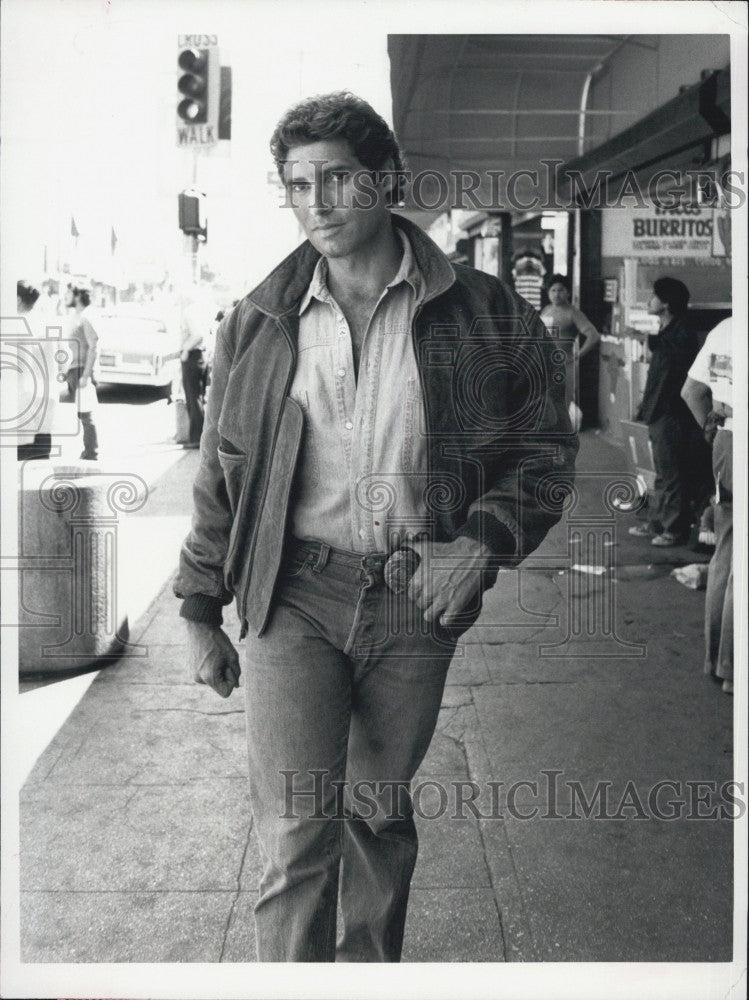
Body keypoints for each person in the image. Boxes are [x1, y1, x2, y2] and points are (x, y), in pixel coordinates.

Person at [174, 91, 577, 963]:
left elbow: (543, 448)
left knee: (376, 814)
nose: (316, 202)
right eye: (296, 184)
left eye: (337, 178)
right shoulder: (258, 321)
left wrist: (479, 541)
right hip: (292, 593)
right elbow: (221, 476)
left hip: (411, 597)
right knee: (293, 827)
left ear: (385, 180)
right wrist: (199, 608)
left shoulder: (483, 312)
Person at [628, 277, 708, 547]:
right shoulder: (669, 332)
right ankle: (658, 522)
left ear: (666, 304)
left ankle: (674, 529)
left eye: (654, 296)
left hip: (670, 412)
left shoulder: (680, 335)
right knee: (661, 471)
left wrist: (653, 407)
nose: (649, 301)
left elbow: (670, 380)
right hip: (658, 411)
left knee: (672, 472)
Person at [681, 316, 733, 695]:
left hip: (727, 442)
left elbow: (692, 391)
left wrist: (711, 433)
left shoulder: (726, 329)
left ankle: (716, 662)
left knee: (727, 552)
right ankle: (734, 671)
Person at [540, 273, 600, 423]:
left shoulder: (573, 313)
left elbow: (593, 336)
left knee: (560, 406)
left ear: (567, 292)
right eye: (553, 290)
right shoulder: (546, 310)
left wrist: (577, 355)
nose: (556, 294)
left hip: (564, 366)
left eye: (560, 290)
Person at [16, 279, 56, 461]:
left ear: (17, 299)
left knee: (20, 462)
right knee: (40, 459)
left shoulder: (14, 325)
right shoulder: (46, 323)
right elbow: (64, 358)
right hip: (47, 395)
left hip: (22, 398)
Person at [64, 284, 99, 461]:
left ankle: (91, 452)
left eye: (69, 293)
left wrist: (86, 374)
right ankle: (88, 450)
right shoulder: (77, 316)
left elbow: (93, 346)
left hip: (81, 370)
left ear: (77, 296)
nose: (66, 296)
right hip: (75, 369)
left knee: (86, 413)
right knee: (82, 412)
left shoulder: (85, 317)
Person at [178, 289, 210, 449]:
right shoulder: (201, 311)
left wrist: (185, 350)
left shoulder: (189, 312)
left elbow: (198, 335)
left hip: (193, 356)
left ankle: (197, 438)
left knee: (193, 398)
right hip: (200, 357)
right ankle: (198, 436)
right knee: (198, 397)